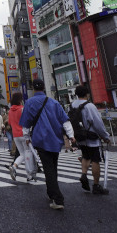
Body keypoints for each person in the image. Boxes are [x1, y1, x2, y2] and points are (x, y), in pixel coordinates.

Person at [19, 79, 76, 210]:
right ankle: (51, 192)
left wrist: (27, 136)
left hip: (40, 138)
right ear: (44, 87)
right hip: (55, 138)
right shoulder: (54, 102)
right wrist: (71, 136)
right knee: (53, 166)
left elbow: (26, 122)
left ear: (33, 88)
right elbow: (65, 121)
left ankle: (58, 198)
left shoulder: (30, 102)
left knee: (48, 168)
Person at [71, 85, 111, 195]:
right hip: (91, 136)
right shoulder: (89, 106)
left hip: (79, 135)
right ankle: (96, 185)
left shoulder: (73, 105)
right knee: (95, 160)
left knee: (85, 155)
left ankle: (84, 174)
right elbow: (97, 123)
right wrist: (105, 136)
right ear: (87, 94)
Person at [7, 92, 36, 182]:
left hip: (15, 135)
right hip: (24, 135)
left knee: (22, 154)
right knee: (28, 154)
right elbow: (27, 122)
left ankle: (14, 166)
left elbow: (9, 123)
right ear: (20, 100)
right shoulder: (22, 109)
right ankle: (29, 175)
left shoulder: (10, 111)